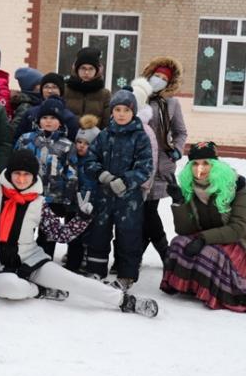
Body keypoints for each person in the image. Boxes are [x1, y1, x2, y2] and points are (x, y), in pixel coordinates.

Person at [0, 150, 158, 317]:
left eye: (27, 174)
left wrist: (82, 218)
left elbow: (60, 234)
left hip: (30, 259)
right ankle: (41, 290)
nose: (21, 179)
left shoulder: (38, 203)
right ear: (9, 173)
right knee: (10, 288)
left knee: (75, 281)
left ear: (34, 176)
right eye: (17, 173)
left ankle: (125, 301)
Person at [161, 142, 246, 312]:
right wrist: (179, 202)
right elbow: (185, 230)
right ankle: (190, 286)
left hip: (240, 242)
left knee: (211, 253)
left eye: (206, 163)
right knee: (178, 243)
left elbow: (237, 228)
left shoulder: (235, 186)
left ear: (215, 165)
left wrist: (203, 239)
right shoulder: (191, 188)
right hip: (210, 237)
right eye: (195, 163)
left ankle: (215, 291)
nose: (200, 168)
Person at [83, 89, 153, 290]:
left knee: (128, 236)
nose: (121, 114)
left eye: (126, 110)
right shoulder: (104, 135)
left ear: (133, 112)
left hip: (128, 198)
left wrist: (126, 181)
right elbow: (90, 160)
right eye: (117, 109)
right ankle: (96, 271)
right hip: (103, 196)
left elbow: (145, 166)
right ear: (112, 111)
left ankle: (126, 275)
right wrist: (103, 175)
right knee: (99, 233)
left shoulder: (140, 137)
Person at [14, 97, 79, 258]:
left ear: (60, 122)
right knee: (25, 231)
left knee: (48, 237)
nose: (48, 122)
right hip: (27, 196)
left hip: (53, 199)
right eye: (44, 118)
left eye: (53, 118)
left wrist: (67, 199)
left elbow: (71, 173)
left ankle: (44, 263)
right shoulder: (26, 139)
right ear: (38, 120)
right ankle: (21, 261)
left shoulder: (67, 145)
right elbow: (14, 166)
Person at [140, 56, 188, 263]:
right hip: (139, 164)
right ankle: (152, 254)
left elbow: (180, 131)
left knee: (149, 210)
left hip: (161, 166)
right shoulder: (138, 98)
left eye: (163, 78)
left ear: (169, 83)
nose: (158, 80)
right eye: (156, 76)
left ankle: (162, 253)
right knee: (142, 213)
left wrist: (177, 149)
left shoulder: (172, 103)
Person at [64, 114, 100, 272]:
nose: (81, 146)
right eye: (79, 142)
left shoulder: (96, 163)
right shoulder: (71, 159)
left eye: (87, 143)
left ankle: (85, 260)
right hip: (73, 204)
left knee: (88, 236)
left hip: (90, 205)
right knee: (73, 235)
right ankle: (72, 262)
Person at [14, 72, 79, 141]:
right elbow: (18, 138)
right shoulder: (30, 113)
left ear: (61, 90)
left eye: (54, 87)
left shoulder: (69, 117)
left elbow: (73, 143)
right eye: (46, 87)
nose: (50, 91)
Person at [63, 47, 111, 129]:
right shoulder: (65, 90)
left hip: (95, 139)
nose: (86, 72)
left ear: (97, 71)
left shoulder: (105, 94)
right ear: (76, 69)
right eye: (83, 68)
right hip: (67, 138)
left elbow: (106, 123)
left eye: (91, 69)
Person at [9, 66, 43, 134]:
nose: (43, 86)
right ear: (30, 86)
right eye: (40, 84)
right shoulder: (26, 106)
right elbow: (13, 131)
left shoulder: (37, 101)